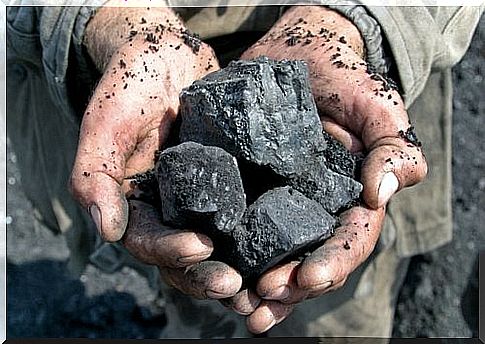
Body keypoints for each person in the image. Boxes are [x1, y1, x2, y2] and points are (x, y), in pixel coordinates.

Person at [6, 1, 483, 338]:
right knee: (184, 279)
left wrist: (355, 18)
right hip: (127, 84)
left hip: (347, 60)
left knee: (332, 318)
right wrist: (106, 14)